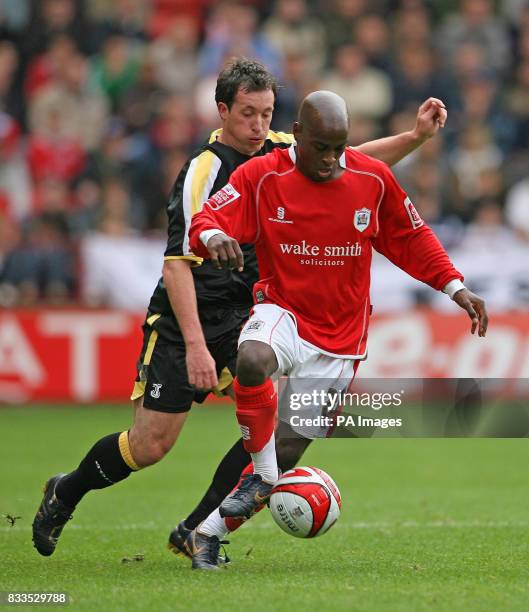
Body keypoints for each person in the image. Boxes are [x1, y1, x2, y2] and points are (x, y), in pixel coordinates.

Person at [32, 58, 449, 559]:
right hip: (189, 316)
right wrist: (193, 349)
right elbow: (177, 266)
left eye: (267, 113)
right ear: (223, 110)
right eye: (248, 114)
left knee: (268, 431)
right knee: (150, 446)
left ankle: (196, 528)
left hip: (248, 313)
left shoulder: (280, 149)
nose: (258, 126)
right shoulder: (203, 170)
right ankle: (67, 490)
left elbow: (348, 162)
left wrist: (415, 137)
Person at [186, 89, 488, 569]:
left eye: (339, 148)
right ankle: (262, 475)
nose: (330, 159)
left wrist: (456, 288)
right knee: (252, 360)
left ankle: (207, 534)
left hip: (341, 340)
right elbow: (207, 217)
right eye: (320, 147)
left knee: (288, 447)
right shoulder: (262, 175)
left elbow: (411, 238)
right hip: (282, 310)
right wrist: (214, 234)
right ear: (298, 136)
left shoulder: (372, 179)